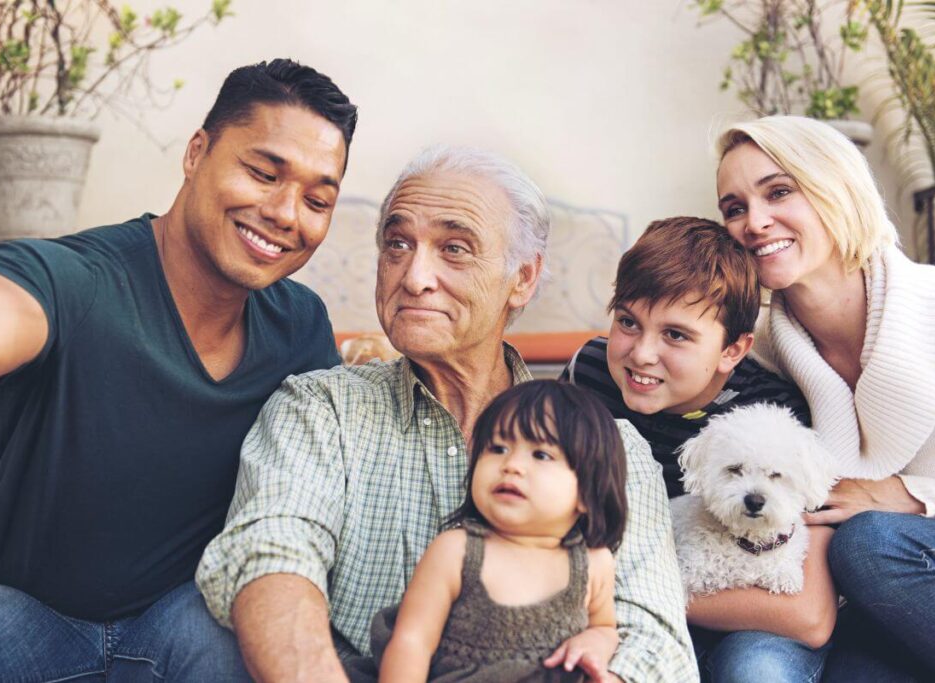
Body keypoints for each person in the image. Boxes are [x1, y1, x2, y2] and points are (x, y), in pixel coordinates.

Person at [196, 146, 698, 683]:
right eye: (397, 244)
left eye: (455, 249)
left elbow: (654, 641)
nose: (414, 277)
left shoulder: (611, 448)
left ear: (523, 279)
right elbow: (271, 559)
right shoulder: (322, 408)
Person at [0, 59, 356, 681]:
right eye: (262, 172)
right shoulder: (80, 282)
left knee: (242, 632)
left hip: (186, 626)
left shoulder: (300, 326)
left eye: (317, 199)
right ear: (197, 152)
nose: (285, 213)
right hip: (21, 622)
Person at [715, 114, 935, 682]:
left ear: (836, 190)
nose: (754, 223)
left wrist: (912, 497)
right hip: (867, 610)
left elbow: (875, 530)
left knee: (869, 542)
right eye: (734, 207)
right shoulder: (762, 350)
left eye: (779, 191)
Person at [563, 216, 835, 683]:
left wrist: (629, 597)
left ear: (733, 350)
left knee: (755, 670)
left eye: (675, 335)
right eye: (628, 322)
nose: (641, 353)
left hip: (736, 620)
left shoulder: (774, 415)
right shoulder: (587, 374)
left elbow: (808, 616)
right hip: (618, 603)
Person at [378, 380, 628, 682]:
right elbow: (412, 642)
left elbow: (604, 626)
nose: (511, 465)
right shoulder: (457, 551)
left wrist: (597, 641)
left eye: (541, 455)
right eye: (497, 448)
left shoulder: (593, 562)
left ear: (588, 493)